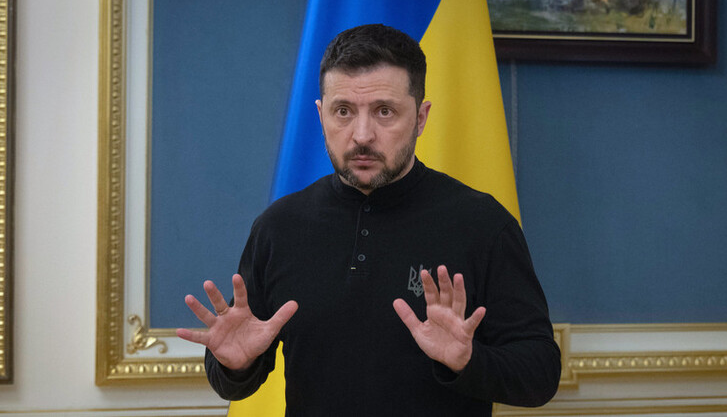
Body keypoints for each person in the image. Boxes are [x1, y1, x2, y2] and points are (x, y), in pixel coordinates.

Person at [177, 24, 561, 416]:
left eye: (384, 112)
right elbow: (234, 376)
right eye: (343, 111)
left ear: (421, 118)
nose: (362, 135)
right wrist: (235, 365)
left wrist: (468, 361)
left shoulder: (483, 223)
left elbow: (541, 376)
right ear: (321, 115)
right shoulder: (278, 227)